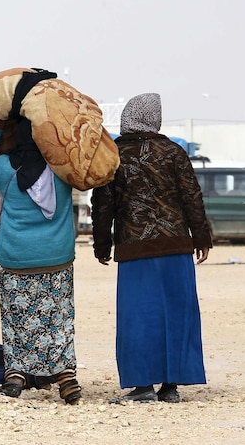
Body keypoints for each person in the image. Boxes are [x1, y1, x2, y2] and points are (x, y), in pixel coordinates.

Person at [91, 93, 211, 404]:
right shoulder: (174, 151)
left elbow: (104, 203)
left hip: (135, 248)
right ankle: (171, 387)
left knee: (138, 315)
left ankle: (143, 386)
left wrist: (102, 242)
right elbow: (192, 197)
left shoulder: (115, 153)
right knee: (176, 313)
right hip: (176, 247)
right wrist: (201, 237)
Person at [0, 109, 82, 405]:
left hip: (15, 256)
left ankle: (16, 375)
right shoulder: (62, 168)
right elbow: (86, 160)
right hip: (57, 255)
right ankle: (65, 376)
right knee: (59, 317)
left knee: (15, 316)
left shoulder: (6, 169)